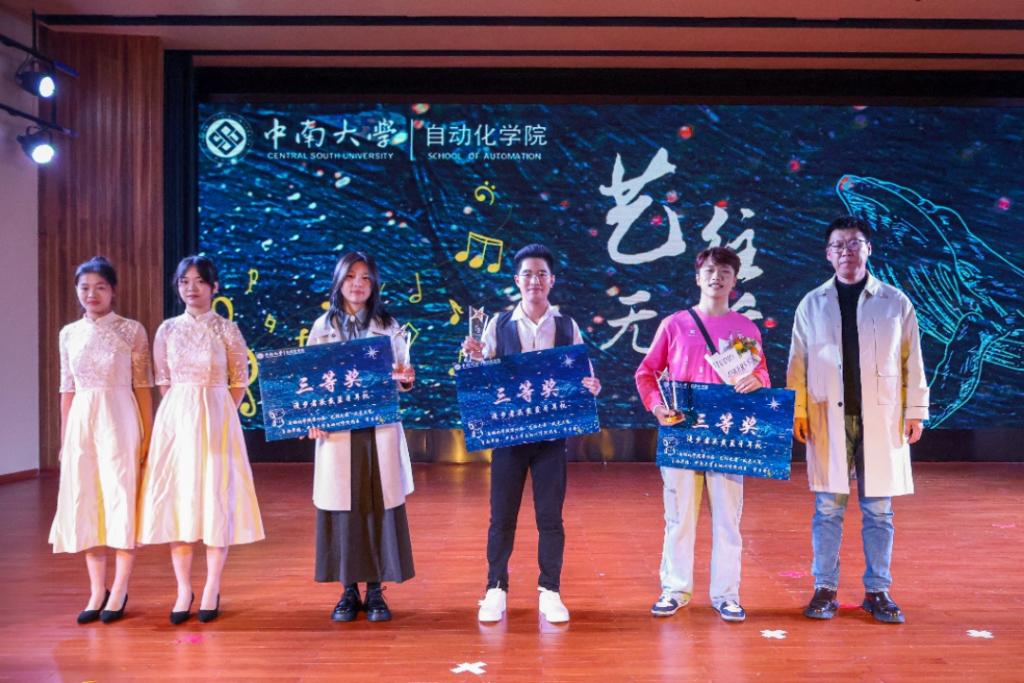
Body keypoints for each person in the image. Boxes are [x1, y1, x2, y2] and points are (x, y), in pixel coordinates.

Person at [787, 215, 929, 624]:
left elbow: (912, 361)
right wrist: (798, 410)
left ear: (868, 248)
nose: (845, 251)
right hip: (827, 417)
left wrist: (916, 410)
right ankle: (824, 588)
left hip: (881, 418)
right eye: (838, 245)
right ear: (827, 254)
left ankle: (878, 590)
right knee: (828, 508)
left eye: (853, 244)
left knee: (879, 510)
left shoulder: (895, 302)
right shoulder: (811, 303)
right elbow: (798, 362)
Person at [462, 243, 601, 624]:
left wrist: (592, 386)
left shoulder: (567, 326)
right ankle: (495, 588)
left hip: (550, 438)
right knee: (501, 516)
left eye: (541, 274)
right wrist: (474, 358)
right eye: (527, 274)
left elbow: (584, 376)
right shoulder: (498, 324)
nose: (534, 280)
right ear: (516, 280)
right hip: (509, 438)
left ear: (551, 280)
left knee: (550, 517)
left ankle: (550, 590)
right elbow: (480, 376)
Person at [635, 246, 769, 623]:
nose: (716, 277)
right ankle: (675, 590)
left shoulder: (745, 329)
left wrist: (758, 380)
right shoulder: (675, 324)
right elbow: (646, 373)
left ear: (735, 280)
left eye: (725, 272)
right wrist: (657, 407)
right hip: (682, 433)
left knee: (728, 520)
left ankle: (727, 595)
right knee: (679, 518)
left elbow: (762, 374)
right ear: (698, 277)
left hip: (727, 438)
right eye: (710, 271)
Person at [137, 255, 265, 625]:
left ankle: (212, 586)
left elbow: (239, 379)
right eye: (184, 282)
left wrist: (219, 411)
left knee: (215, 497)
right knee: (179, 498)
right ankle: (183, 589)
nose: (191, 288)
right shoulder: (167, 330)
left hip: (216, 418)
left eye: (199, 281)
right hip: (178, 421)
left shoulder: (226, 329)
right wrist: (183, 410)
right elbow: (163, 380)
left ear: (214, 287)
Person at [306, 251, 416, 623]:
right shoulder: (322, 327)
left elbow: (402, 375)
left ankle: (376, 590)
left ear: (374, 284)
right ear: (339, 281)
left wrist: (406, 378)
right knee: (344, 510)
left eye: (365, 277)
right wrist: (312, 418)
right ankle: (348, 591)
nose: (358, 284)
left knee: (376, 507)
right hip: (338, 433)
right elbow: (309, 381)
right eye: (351, 276)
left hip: (377, 430)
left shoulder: (388, 325)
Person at [50, 257, 153, 624]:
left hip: (119, 419)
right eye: (85, 288)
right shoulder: (68, 333)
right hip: (82, 422)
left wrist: (147, 436)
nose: (91, 294)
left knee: (120, 499)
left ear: (113, 291)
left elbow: (143, 387)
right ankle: (97, 590)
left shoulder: (131, 330)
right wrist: (66, 438)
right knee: (86, 501)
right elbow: (67, 389)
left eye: (100, 287)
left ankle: (120, 588)